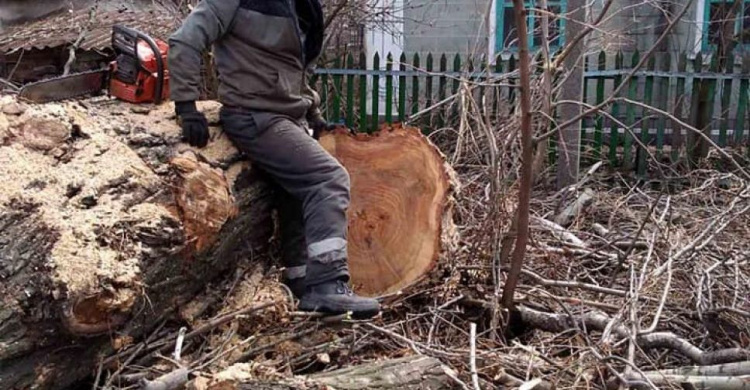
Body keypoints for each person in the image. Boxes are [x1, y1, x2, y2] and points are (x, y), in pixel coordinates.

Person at [168, 0, 380, 319]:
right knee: (328, 179)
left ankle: (302, 279)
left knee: (298, 190)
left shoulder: (301, 5)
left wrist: (313, 112)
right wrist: (186, 105)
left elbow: (296, 69)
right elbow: (185, 40)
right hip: (253, 115)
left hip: (286, 116)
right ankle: (328, 284)